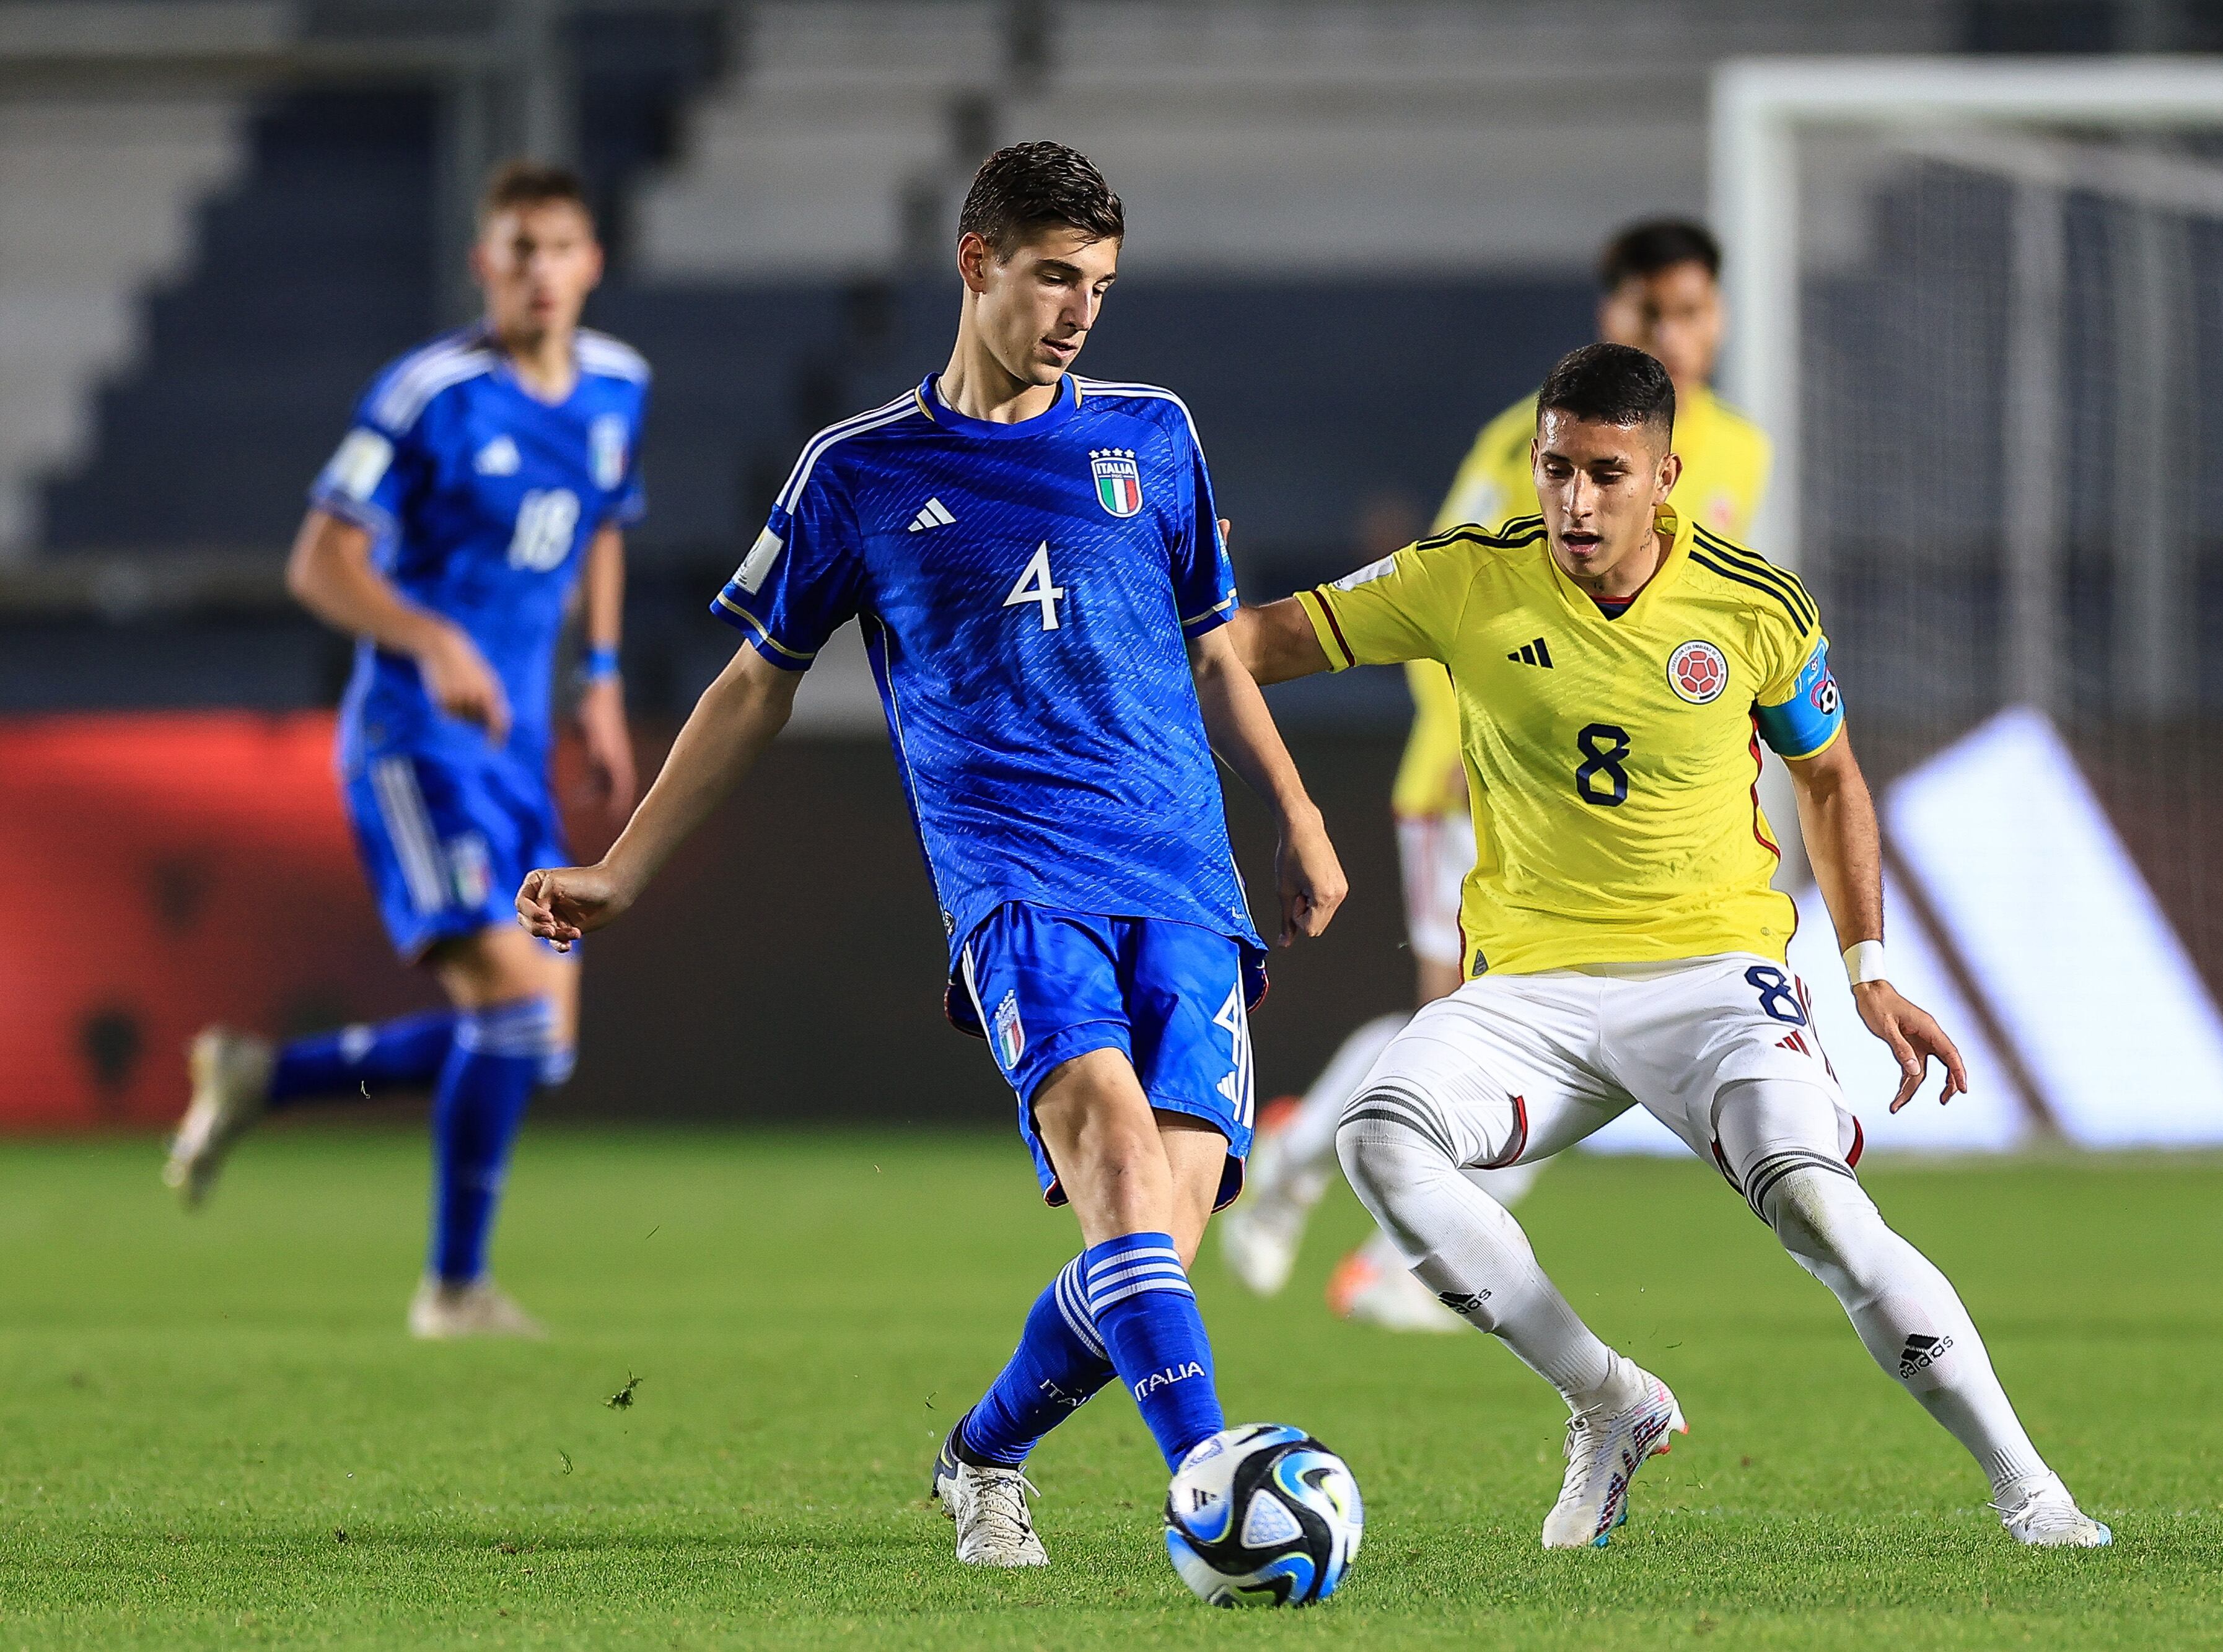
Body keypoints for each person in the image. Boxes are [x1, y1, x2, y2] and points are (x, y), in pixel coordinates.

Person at [512, 142, 1346, 1568]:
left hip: (1185, 881)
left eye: (1099, 283)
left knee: (1151, 1246)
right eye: (1051, 277)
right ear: (976, 264)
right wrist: (626, 865)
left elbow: (1218, 639)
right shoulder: (859, 472)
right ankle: (1212, 1476)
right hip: (1015, 881)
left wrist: (1299, 807)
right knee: (1115, 1172)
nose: (1080, 310)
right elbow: (751, 681)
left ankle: (984, 1451)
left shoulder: (1152, 435)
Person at [1229, 342, 2111, 1552]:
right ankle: (1605, 1397)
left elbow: (1832, 779)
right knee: (1377, 1134)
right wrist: (1171, 581)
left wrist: (1866, 971)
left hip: (1713, 980)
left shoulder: (1752, 604)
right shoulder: (1462, 579)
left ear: (1664, 477)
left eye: (1603, 473)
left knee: (1817, 1207)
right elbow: (1250, 645)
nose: (1573, 503)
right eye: (1554, 470)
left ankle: (2032, 1492)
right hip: (1530, 986)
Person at [1224, 219, 1771, 1331]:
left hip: (1615, 804)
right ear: (1609, 314)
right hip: (1479, 784)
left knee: (1485, 1026)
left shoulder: (1741, 452)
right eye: (1648, 311)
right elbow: (1448, 613)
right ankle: (1385, 1250)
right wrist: (1495, 757)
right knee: (1475, 1023)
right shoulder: (1523, 445)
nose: (1673, 331)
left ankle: (1307, 1164)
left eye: (1692, 311)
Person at [164, 162, 646, 1340]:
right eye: (516, 250)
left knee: (541, 1042)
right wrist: (430, 637)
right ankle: (453, 1290)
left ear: (591, 263)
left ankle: (264, 1080)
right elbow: (319, 558)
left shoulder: (620, 387)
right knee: (522, 1016)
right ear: (484, 264)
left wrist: (598, 679)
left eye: (559, 248)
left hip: (518, 747)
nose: (539, 271)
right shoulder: (431, 393)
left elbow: (598, 529)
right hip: (413, 740)